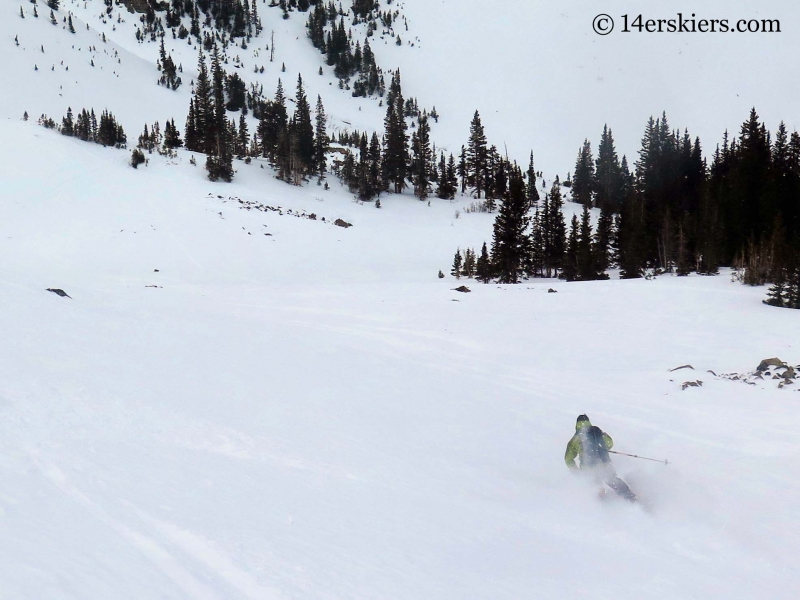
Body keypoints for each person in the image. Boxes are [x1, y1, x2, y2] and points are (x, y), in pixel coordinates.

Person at [565, 414, 637, 502]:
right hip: (605, 463)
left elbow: (568, 459)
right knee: (613, 480)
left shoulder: (575, 439)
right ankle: (630, 497)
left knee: (595, 486)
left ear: (577, 425)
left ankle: (600, 506)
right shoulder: (597, 432)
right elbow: (610, 443)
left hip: (588, 467)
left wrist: (576, 472)